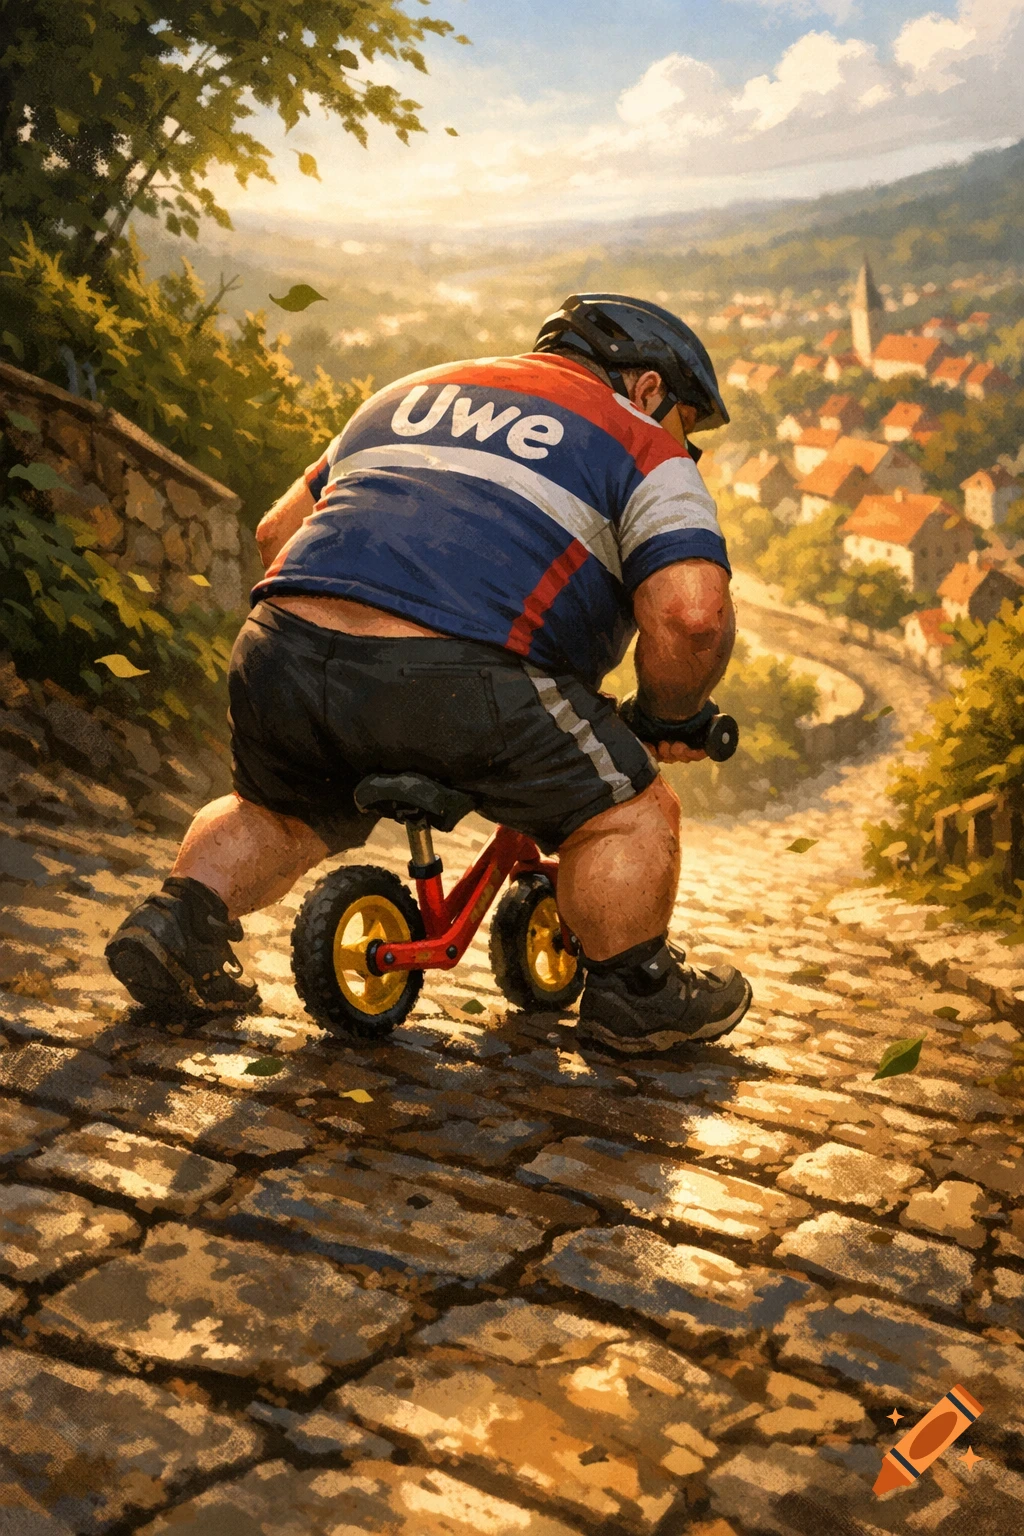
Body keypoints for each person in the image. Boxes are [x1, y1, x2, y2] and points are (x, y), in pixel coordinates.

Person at [106, 293, 751, 1054]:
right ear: (649, 389)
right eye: (690, 427)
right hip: (467, 669)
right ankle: (636, 989)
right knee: (624, 809)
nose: (686, 445)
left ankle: (178, 922)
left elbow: (275, 532)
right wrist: (671, 714)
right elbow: (692, 616)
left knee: (274, 811)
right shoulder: (641, 441)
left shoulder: (406, 393)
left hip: (280, 646)